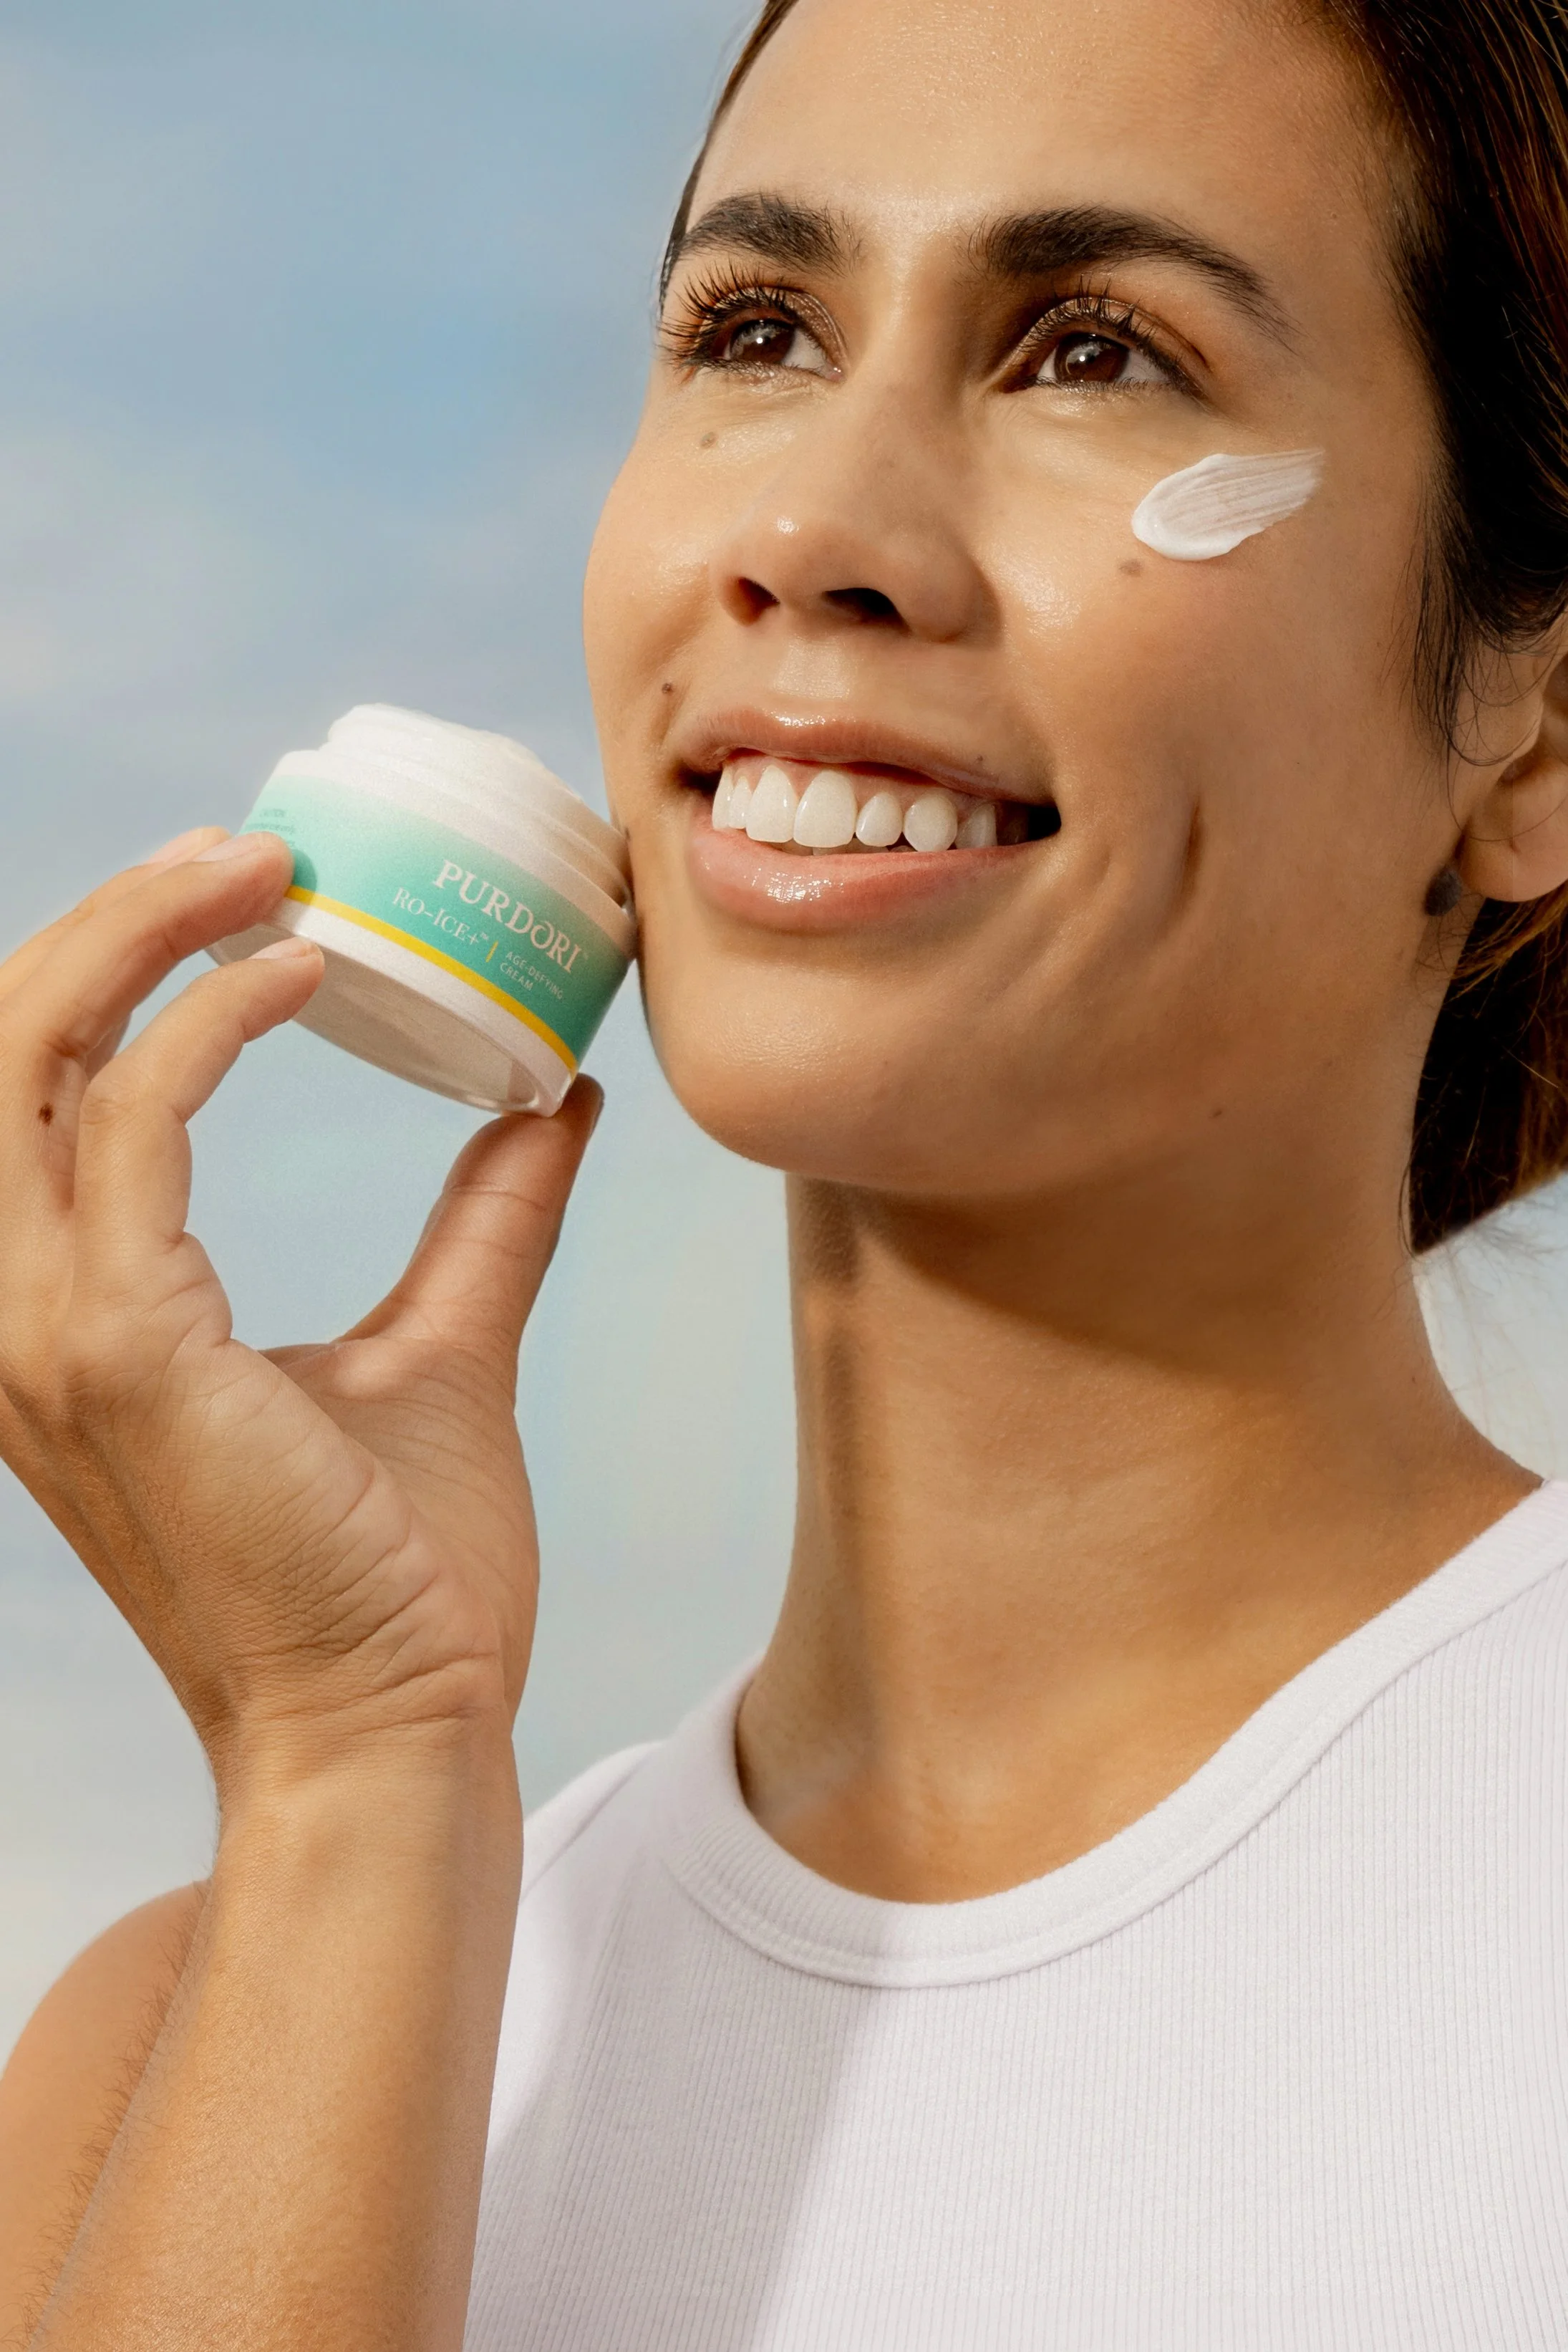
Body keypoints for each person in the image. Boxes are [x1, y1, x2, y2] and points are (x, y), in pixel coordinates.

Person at [4, 0, 1568, 2340]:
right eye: (755, 329)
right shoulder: (188, 2051)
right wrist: (348, 1766)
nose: (807, 532)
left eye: (1095, 354)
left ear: (1524, 729)